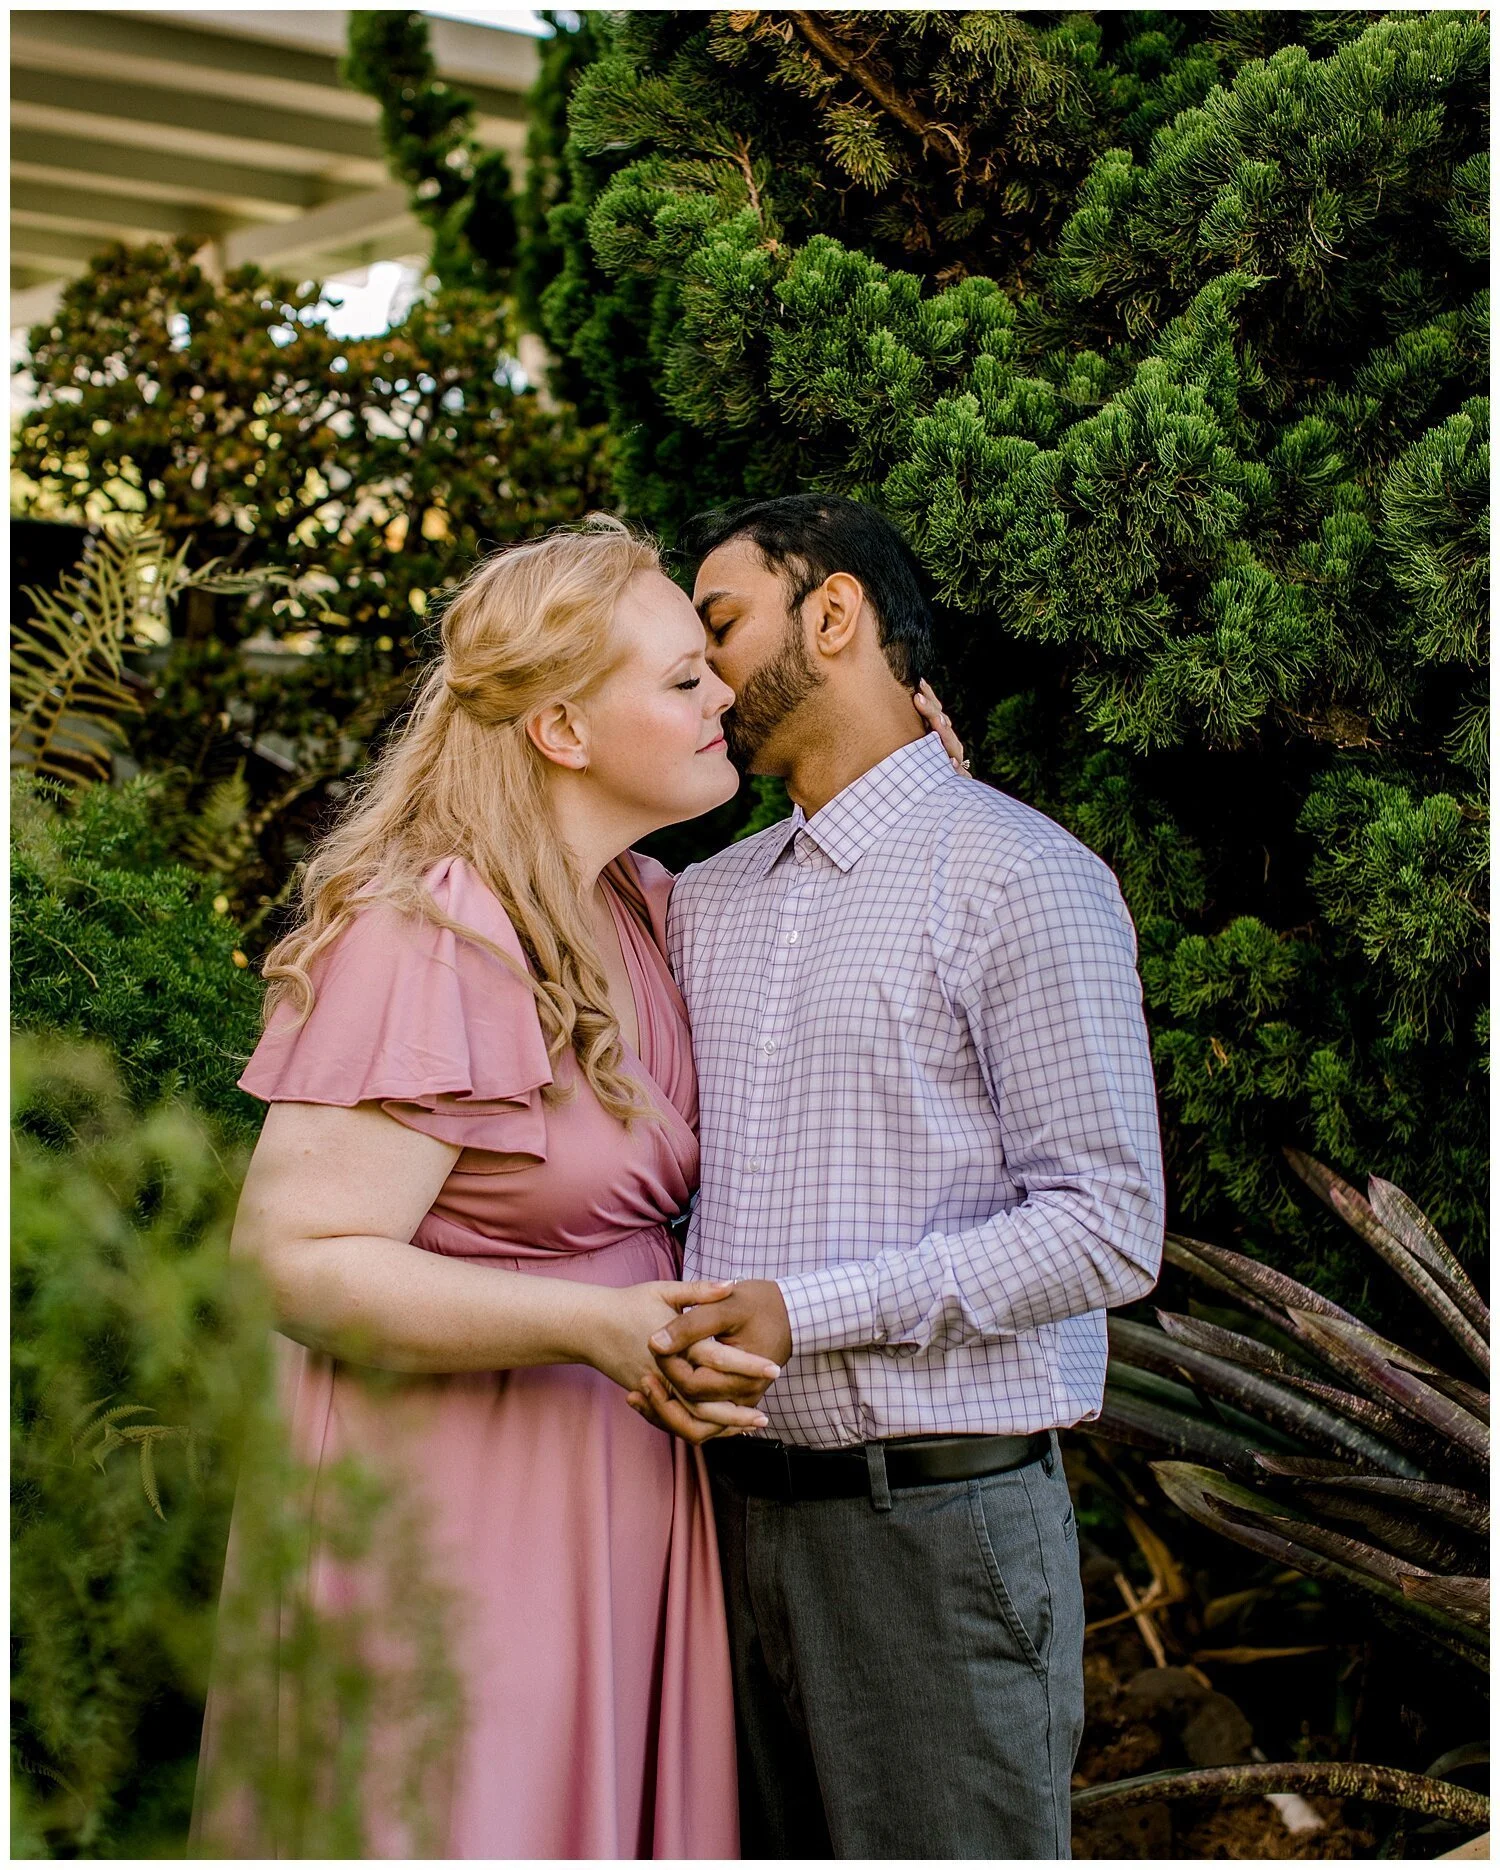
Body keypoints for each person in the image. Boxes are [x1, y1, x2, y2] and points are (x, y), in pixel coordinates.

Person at [191, 518, 784, 1859]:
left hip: (611, 1484)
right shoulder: (436, 929)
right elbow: (291, 1257)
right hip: (463, 1516)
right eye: (683, 679)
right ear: (564, 731)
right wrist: (591, 1326)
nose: (724, 698)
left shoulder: (638, 900)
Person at [635, 494, 1166, 1859]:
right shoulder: (709, 899)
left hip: (937, 1532)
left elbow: (1110, 1229)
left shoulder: (1020, 876)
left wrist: (809, 1313)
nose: (700, 676)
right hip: (724, 1532)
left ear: (834, 615)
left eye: (716, 628)